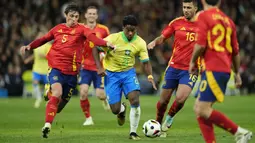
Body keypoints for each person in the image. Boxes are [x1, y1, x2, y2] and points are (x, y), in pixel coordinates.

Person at [20, 3, 115, 138]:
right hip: (56, 68)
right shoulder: (58, 29)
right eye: (71, 16)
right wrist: (29, 46)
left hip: (73, 73)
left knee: (58, 108)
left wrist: (105, 43)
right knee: (57, 93)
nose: (74, 19)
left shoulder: (82, 29)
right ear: (65, 15)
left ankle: (50, 93)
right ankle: (47, 125)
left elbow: (93, 38)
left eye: (76, 17)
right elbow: (43, 39)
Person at [189, 0, 253, 142]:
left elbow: (200, 44)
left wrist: (193, 62)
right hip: (224, 69)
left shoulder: (203, 16)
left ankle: (239, 132)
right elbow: (235, 51)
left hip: (214, 68)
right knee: (200, 109)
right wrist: (237, 74)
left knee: (202, 109)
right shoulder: (228, 21)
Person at [93, 15, 157, 140]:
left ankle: (133, 132)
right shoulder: (113, 38)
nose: (130, 33)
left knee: (135, 100)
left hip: (128, 74)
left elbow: (146, 62)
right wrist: (99, 67)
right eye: (128, 29)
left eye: (133, 30)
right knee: (115, 110)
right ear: (123, 28)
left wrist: (149, 75)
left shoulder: (140, 43)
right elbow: (95, 48)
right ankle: (122, 110)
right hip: (111, 75)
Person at [147, 0, 198, 137]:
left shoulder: (203, 26)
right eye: (184, 7)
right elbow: (163, 37)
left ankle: (169, 118)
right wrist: (154, 42)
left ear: (195, 8)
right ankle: (157, 124)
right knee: (163, 101)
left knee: (181, 98)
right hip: (173, 67)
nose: (186, 10)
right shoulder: (176, 23)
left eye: (189, 7)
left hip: (191, 69)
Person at [79, 4, 110, 126]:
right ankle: (88, 118)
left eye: (94, 13)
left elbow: (108, 44)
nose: (91, 15)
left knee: (100, 95)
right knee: (83, 92)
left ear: (97, 16)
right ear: (86, 15)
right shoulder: (80, 28)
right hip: (84, 66)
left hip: (99, 67)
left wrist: (103, 53)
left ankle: (104, 100)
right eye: (89, 13)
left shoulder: (103, 29)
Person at [23, 29, 51, 108]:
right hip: (36, 68)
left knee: (48, 86)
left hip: (45, 69)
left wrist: (44, 57)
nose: (39, 37)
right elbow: (35, 55)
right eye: (38, 35)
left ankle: (48, 100)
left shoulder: (48, 46)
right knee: (35, 82)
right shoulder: (36, 46)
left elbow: (51, 56)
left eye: (41, 36)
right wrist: (28, 59)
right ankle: (38, 98)